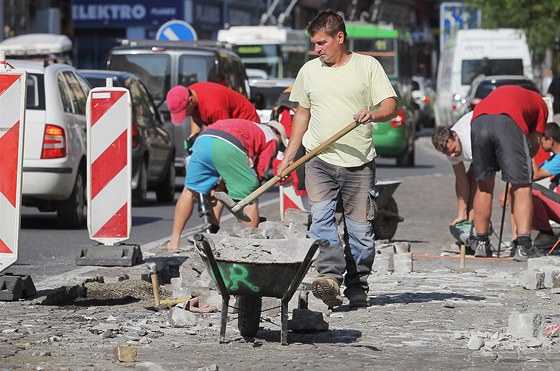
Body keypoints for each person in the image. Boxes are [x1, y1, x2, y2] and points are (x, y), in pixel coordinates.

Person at [276, 10, 397, 309]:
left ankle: (358, 286)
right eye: (314, 43)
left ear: (339, 37)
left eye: (321, 42)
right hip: (319, 159)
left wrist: (374, 113)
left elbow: (391, 106)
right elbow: (302, 114)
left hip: (359, 163)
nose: (316, 49)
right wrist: (289, 157)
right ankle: (329, 279)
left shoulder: (367, 66)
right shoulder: (309, 71)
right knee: (321, 221)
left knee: (360, 234)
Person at [165, 83, 261, 251]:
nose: (184, 115)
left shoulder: (214, 106)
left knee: (228, 186)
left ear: (189, 100)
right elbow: (196, 116)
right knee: (193, 189)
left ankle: (247, 242)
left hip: (243, 133)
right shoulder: (192, 94)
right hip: (219, 137)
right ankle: (191, 236)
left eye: (183, 111)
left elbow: (223, 133)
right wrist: (193, 137)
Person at [167, 118, 288, 251]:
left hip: (203, 140)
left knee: (190, 191)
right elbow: (261, 169)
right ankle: (251, 247)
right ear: (278, 135)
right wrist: (252, 186)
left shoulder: (251, 126)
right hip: (227, 145)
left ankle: (175, 241)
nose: (278, 149)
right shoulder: (272, 138)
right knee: (250, 198)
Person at [470, 85, 548, 260]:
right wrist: (521, 169)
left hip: (478, 120)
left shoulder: (509, 92)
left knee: (484, 185)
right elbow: (535, 143)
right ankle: (525, 246)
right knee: (522, 186)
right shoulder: (540, 103)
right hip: (507, 121)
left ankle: (481, 243)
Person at [508, 122, 560, 260]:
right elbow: (531, 175)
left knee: (530, 192)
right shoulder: (553, 158)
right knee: (523, 190)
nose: (540, 143)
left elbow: (535, 175)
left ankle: (547, 234)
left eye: (541, 139)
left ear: (551, 140)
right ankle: (541, 234)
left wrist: (527, 150)